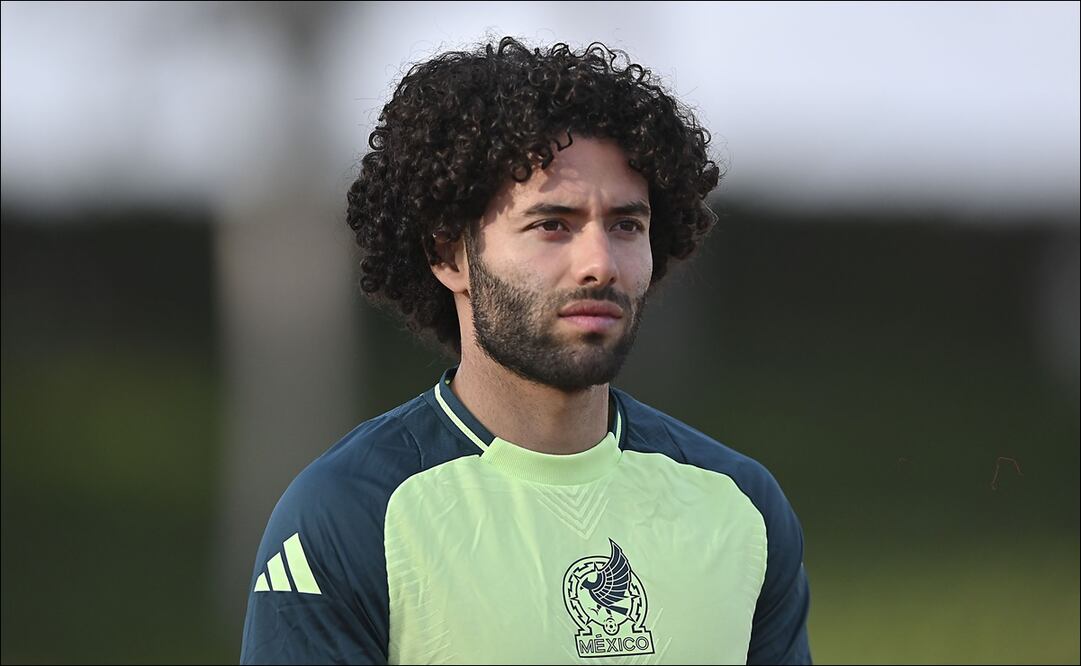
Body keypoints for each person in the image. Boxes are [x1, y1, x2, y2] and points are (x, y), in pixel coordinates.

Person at [240, 36, 811, 665]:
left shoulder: (741, 508)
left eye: (627, 225)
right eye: (552, 225)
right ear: (449, 254)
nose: (599, 264)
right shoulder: (350, 515)